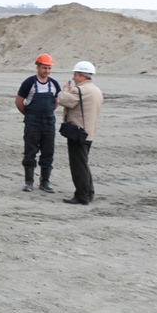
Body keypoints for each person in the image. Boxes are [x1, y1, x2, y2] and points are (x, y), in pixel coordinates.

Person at [58, 61, 104, 206]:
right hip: (89, 132)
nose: (73, 77)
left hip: (78, 133)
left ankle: (81, 196)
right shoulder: (97, 90)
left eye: (75, 74)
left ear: (82, 75)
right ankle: (89, 193)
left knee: (78, 165)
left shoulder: (79, 90)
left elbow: (62, 100)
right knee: (83, 164)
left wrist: (65, 89)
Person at [14, 53, 61, 193]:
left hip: (49, 123)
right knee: (30, 153)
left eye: (49, 68)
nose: (46, 71)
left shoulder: (54, 84)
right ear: (38, 67)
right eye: (44, 68)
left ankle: (45, 182)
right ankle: (29, 182)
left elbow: (56, 102)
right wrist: (29, 115)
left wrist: (47, 113)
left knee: (48, 153)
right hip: (32, 123)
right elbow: (19, 102)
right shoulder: (29, 83)